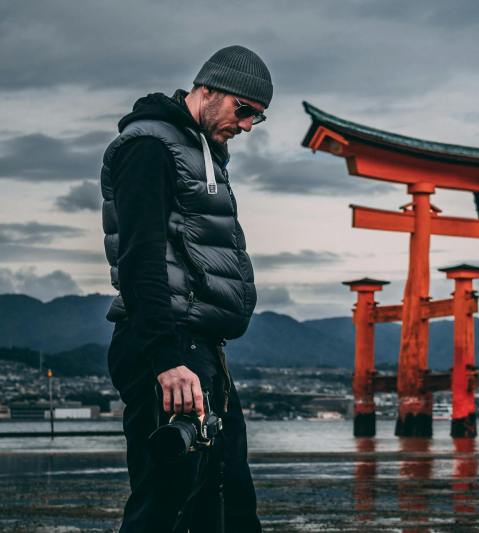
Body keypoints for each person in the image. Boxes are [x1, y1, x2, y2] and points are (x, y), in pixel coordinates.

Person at [100, 45, 272, 532]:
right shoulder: (150, 147)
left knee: (228, 501)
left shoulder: (202, 154)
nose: (246, 125)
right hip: (169, 347)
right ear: (208, 89)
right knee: (165, 503)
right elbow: (141, 257)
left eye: (258, 118)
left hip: (203, 351)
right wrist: (166, 358)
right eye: (243, 110)